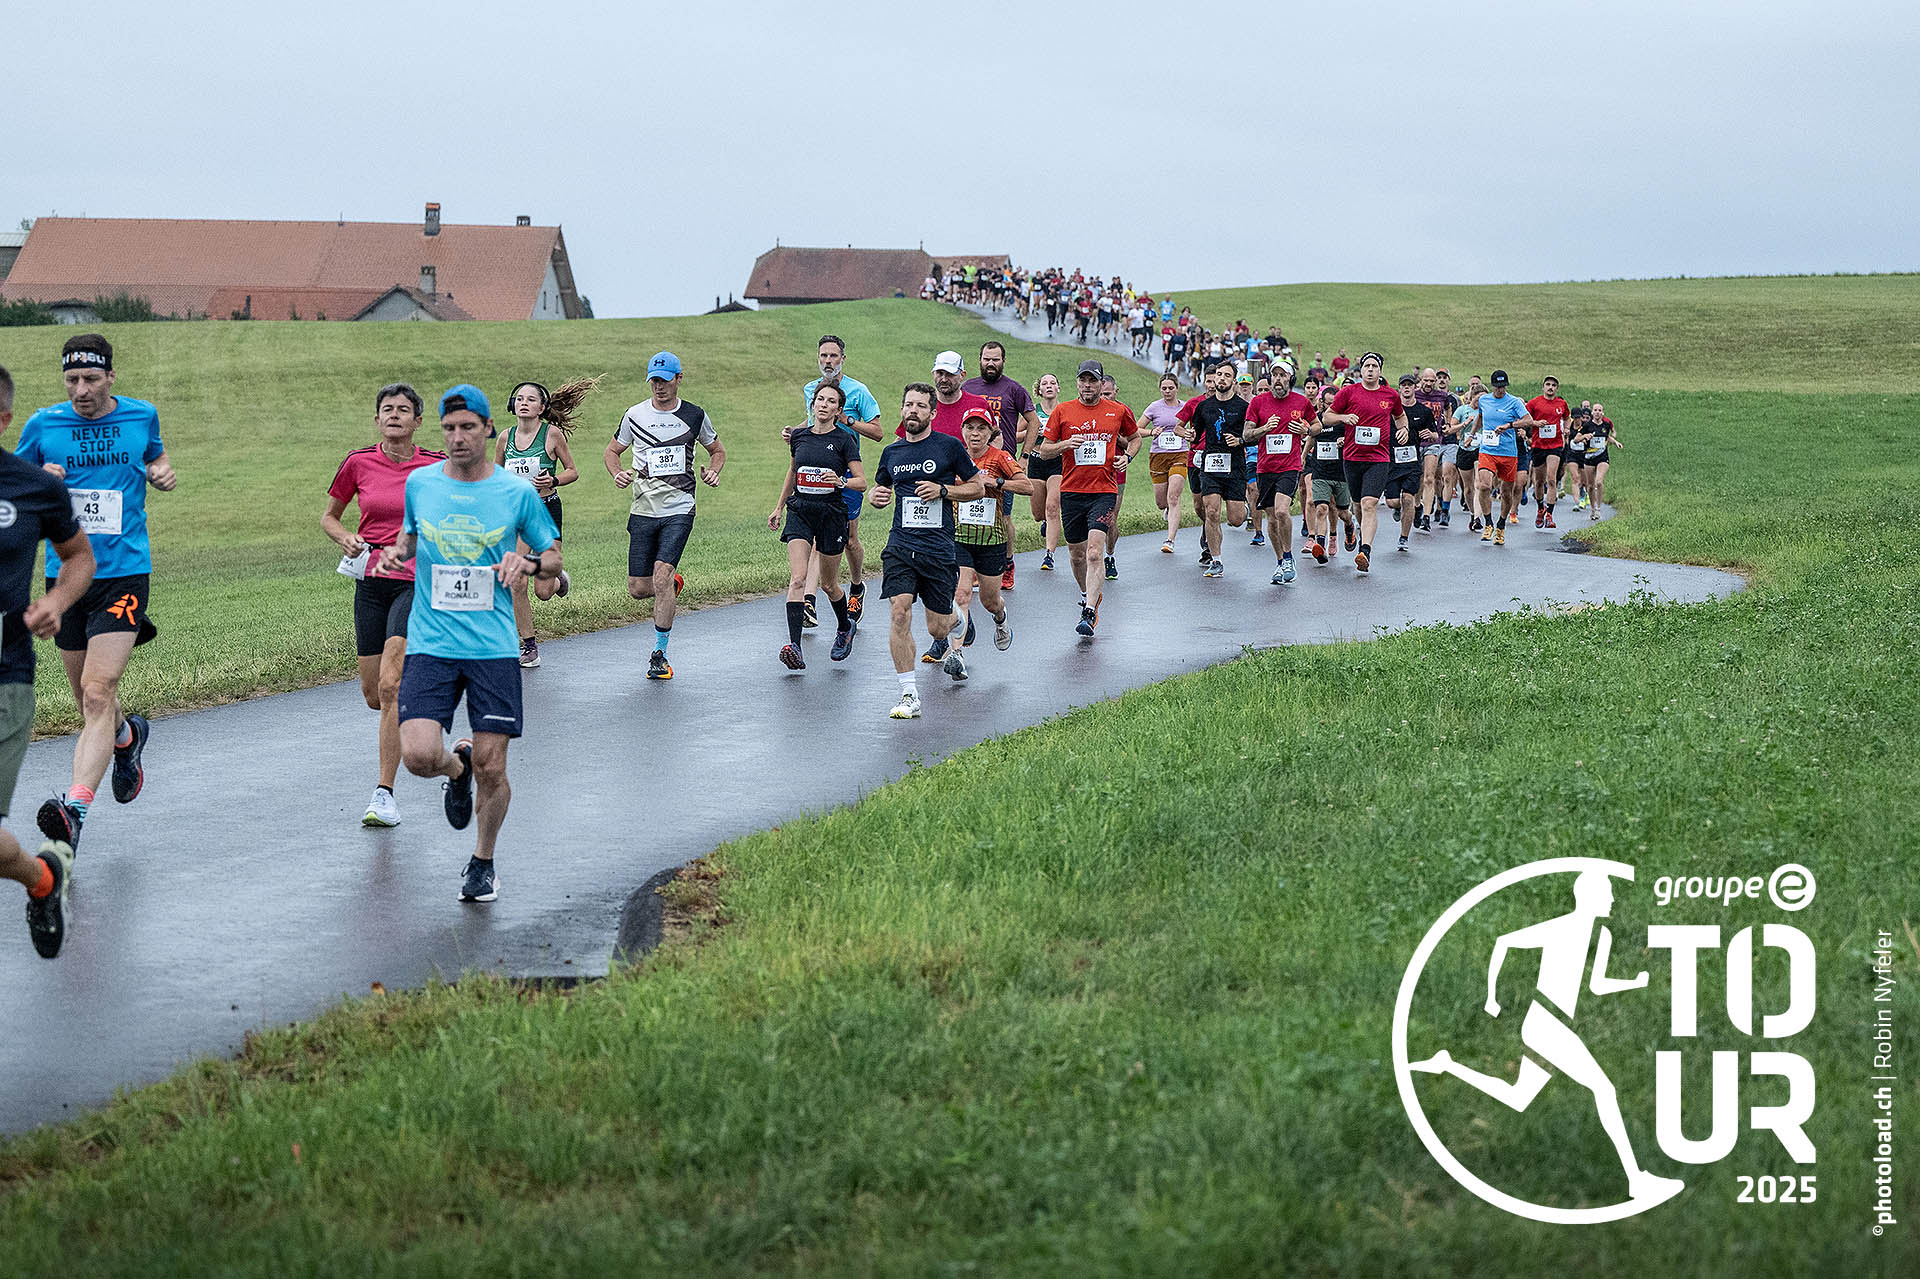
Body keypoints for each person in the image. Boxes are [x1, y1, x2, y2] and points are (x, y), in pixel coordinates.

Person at [378, 384, 560, 903]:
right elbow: (411, 536)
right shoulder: (421, 484)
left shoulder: (515, 493)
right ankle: (454, 770)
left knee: (493, 766)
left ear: (486, 429)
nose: (457, 438)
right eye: (449, 429)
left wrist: (526, 562)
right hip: (431, 642)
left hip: (492, 647)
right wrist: (397, 552)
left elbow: (553, 558)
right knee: (417, 756)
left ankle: (483, 862)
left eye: (467, 428)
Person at [21, 335, 175, 854]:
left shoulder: (141, 415)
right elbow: (10, 484)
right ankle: (126, 738)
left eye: (90, 379)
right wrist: (38, 477)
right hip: (66, 577)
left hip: (124, 573)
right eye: (72, 380)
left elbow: (155, 456)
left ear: (110, 376)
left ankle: (75, 809)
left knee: (96, 690)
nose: (81, 390)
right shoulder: (43, 425)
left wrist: (161, 471)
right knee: (89, 701)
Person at [0, 363, 94, 957]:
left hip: (4, 677)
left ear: (4, 419)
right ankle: (43, 876)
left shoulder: (32, 486)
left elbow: (79, 557)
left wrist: (56, 601)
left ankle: (41, 880)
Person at [323, 382, 447, 828]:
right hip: (370, 581)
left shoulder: (434, 465)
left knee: (392, 684)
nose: (394, 415)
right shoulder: (358, 462)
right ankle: (422, 701)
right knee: (375, 695)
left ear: (418, 421)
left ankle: (384, 794)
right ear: (377, 419)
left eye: (403, 410)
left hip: (415, 581)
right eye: (387, 409)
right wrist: (345, 537)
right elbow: (329, 517)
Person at [606, 351, 724, 681]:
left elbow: (717, 450)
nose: (659, 387)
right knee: (638, 588)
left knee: (660, 575)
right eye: (654, 381)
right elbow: (612, 451)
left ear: (679, 379)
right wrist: (617, 473)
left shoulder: (694, 415)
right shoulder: (634, 415)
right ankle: (671, 585)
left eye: (665, 380)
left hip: (680, 507)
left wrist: (713, 472)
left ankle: (659, 655)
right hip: (643, 508)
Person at [869, 384, 984, 718]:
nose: (913, 410)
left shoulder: (949, 446)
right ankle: (909, 694)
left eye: (920, 405)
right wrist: (875, 497)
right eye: (908, 404)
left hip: (938, 548)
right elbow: (881, 487)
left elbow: (978, 487)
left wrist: (943, 490)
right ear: (901, 410)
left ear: (933, 412)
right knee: (899, 611)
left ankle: (958, 620)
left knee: (937, 628)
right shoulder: (892, 452)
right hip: (901, 545)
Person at [1031, 360, 1138, 635]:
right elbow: (1044, 450)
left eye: (1093, 381)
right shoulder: (1063, 411)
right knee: (1077, 555)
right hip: (1071, 491)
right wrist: (1066, 444)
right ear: (1077, 382)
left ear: (1102, 384)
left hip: (1103, 491)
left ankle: (1089, 610)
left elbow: (1135, 438)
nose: (1088, 385)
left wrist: (1127, 457)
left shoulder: (1118, 411)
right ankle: (1087, 594)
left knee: (1093, 552)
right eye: (1083, 380)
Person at [769, 381, 865, 669]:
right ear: (813, 405)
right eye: (820, 399)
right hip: (800, 511)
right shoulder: (799, 436)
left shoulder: (844, 439)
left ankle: (845, 627)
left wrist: (842, 481)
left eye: (830, 401)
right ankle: (795, 647)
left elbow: (862, 482)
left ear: (838, 409)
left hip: (831, 514)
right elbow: (792, 472)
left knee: (829, 584)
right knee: (798, 579)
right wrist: (778, 507)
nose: (824, 404)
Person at [499, 379, 588, 667]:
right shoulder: (505, 438)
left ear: (542, 407)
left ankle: (559, 579)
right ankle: (529, 646)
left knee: (544, 592)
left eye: (530, 399)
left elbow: (573, 471)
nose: (524, 403)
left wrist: (553, 480)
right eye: (519, 399)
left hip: (546, 511)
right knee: (516, 581)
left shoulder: (552, 435)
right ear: (512, 405)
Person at [800, 335, 883, 629]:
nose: (828, 361)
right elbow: (813, 424)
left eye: (833, 356)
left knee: (849, 539)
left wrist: (849, 422)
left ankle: (857, 586)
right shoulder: (811, 389)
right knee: (816, 539)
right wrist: (794, 431)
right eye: (823, 356)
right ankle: (808, 602)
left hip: (847, 473)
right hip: (817, 472)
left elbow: (877, 432)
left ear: (843, 359)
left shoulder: (858, 391)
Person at [944, 407, 1029, 656]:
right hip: (960, 536)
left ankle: (1001, 618)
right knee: (961, 594)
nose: (975, 433)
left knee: (989, 601)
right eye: (970, 428)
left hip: (992, 540)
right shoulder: (955, 456)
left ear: (990, 432)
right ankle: (956, 654)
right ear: (962, 430)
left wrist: (997, 482)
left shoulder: (1000, 457)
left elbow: (1027, 487)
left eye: (981, 428)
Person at [1322, 352, 1410, 573]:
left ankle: (1365, 551)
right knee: (1358, 505)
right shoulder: (1348, 392)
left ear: (1380, 370)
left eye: (1374, 366)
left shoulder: (1390, 395)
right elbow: (1327, 417)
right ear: (1360, 370)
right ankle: (1360, 531)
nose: (1370, 370)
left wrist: (1404, 430)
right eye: (1367, 366)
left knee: (1369, 504)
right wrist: (1343, 418)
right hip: (1352, 458)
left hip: (1378, 459)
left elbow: (1400, 416)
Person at [961, 341, 1037, 595]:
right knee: (966, 514)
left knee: (1002, 517)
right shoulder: (968, 387)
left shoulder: (1013, 389)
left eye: (995, 359)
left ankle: (1007, 563)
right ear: (979, 360)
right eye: (986, 359)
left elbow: (1034, 422)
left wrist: (1024, 456)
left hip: (1002, 463)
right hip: (969, 461)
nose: (990, 363)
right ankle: (971, 568)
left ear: (1003, 361)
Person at [1178, 362, 1250, 578]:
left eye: (1227, 375)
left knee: (1236, 519)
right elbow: (1195, 433)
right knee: (1211, 512)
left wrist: (1240, 441)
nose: (1221, 379)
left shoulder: (1243, 407)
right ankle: (1216, 560)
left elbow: (1252, 436)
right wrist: (1190, 435)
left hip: (1235, 466)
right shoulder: (1204, 407)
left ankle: (1245, 509)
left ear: (1233, 381)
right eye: (1219, 374)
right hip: (1210, 465)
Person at [1243, 361, 1312, 583]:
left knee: (1282, 511)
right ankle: (1281, 561)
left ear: (1290, 378)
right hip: (1265, 467)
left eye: (1283, 375)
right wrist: (1265, 428)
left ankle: (1289, 558)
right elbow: (1246, 434)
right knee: (1271, 518)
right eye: (1275, 375)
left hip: (1290, 466)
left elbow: (1317, 426)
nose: (1278, 379)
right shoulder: (1258, 402)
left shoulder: (1301, 402)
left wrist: (1306, 429)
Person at [1473, 371, 1536, 547]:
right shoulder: (1484, 400)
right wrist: (1471, 434)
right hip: (1487, 450)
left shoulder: (1514, 402)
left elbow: (1528, 420)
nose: (1500, 390)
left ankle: (1501, 526)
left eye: (1503, 387)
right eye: (1497, 387)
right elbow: (1480, 417)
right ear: (1492, 386)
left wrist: (1509, 425)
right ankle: (1488, 523)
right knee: (1484, 486)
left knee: (1506, 492)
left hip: (1508, 452)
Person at [1305, 383, 1356, 564]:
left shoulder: (1345, 421)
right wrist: (1303, 456)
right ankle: (1320, 546)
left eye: (1333, 403)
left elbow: (1356, 440)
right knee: (1321, 508)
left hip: (1341, 473)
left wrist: (1345, 440)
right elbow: (1311, 438)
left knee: (1342, 512)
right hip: (1320, 472)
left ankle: (1349, 526)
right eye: (1327, 403)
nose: (1330, 407)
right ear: (1322, 403)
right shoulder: (1318, 420)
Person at [1142, 374, 1193, 553]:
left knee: (1173, 497)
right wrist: (1151, 432)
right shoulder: (1154, 407)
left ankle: (1170, 540)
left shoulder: (1185, 406)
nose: (1167, 391)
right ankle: (1167, 510)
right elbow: (1136, 429)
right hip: (1158, 456)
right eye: (1164, 388)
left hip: (1180, 454)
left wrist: (1190, 433)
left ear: (1177, 388)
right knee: (1161, 502)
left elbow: (1196, 427)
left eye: (1171, 388)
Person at [1387, 374, 1437, 553]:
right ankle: (1400, 508)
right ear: (1399, 388)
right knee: (1392, 502)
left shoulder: (1424, 411)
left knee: (1408, 498)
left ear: (1415, 387)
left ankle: (1403, 537)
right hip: (1392, 462)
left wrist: (1431, 435)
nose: (1407, 388)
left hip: (1412, 462)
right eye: (1404, 385)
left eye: (1410, 385)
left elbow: (1435, 434)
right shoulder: (1390, 410)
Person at [1026, 373, 1064, 570]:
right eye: (1044, 383)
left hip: (1057, 461)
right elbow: (1016, 435)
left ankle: (1049, 555)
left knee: (1052, 507)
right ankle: (1046, 523)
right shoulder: (1033, 412)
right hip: (1036, 461)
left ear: (1058, 388)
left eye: (1052, 383)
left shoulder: (1064, 410)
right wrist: (1034, 431)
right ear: (1039, 389)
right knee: (1038, 513)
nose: (1049, 386)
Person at [1525, 375, 1572, 528]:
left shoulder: (1561, 404)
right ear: (1543, 387)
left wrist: (1566, 428)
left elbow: (1567, 417)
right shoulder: (1534, 403)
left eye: (1553, 385)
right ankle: (1540, 508)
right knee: (1538, 481)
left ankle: (1550, 515)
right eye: (1548, 384)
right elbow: (1525, 418)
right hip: (1538, 445)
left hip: (1555, 445)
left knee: (1551, 479)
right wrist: (1535, 423)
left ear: (1557, 388)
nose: (1550, 387)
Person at [1576, 404, 1620, 520]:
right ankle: (1592, 509)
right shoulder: (1587, 426)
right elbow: (1576, 439)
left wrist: (1615, 442)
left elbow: (1606, 437)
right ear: (1592, 412)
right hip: (1589, 458)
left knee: (1599, 482)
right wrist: (1585, 436)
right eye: (1595, 410)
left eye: (1599, 410)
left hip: (1602, 457)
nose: (1597, 412)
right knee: (1590, 486)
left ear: (1602, 413)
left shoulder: (1606, 425)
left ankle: (1599, 508)